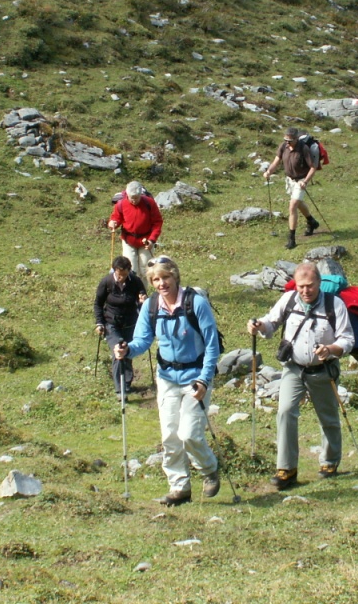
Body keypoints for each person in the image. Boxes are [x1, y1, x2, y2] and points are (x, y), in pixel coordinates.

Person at [114, 257, 221, 506]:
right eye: (156, 279)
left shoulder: (197, 303)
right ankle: (179, 488)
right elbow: (142, 340)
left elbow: (212, 346)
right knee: (170, 437)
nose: (161, 283)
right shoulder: (152, 306)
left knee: (189, 434)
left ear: (175, 276)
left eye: (165, 278)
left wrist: (205, 380)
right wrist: (126, 349)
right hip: (166, 379)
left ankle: (209, 469)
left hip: (196, 377)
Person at [247, 261, 354, 490]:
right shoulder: (288, 300)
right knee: (285, 411)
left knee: (328, 417)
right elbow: (271, 322)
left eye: (310, 286)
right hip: (294, 368)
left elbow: (347, 339)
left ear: (319, 283)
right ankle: (286, 469)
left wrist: (330, 350)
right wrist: (258, 326)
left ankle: (330, 461)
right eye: (301, 286)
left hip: (323, 369)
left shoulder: (334, 305)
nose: (305, 291)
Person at [94, 255, 147, 399]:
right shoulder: (106, 282)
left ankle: (127, 383)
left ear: (129, 271)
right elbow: (98, 304)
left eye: (123, 275)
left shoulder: (136, 282)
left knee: (128, 352)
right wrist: (99, 323)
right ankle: (120, 390)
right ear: (114, 271)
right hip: (111, 323)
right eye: (118, 274)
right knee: (119, 351)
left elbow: (143, 300)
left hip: (131, 323)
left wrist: (143, 301)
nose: (120, 278)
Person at [262, 127, 320, 250]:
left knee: (293, 205)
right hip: (289, 180)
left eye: (290, 140)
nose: (287, 142)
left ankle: (291, 239)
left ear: (296, 139)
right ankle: (312, 221)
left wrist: (305, 181)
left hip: (300, 181)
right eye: (285, 140)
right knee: (298, 203)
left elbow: (313, 167)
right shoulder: (283, 146)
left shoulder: (303, 148)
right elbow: (276, 161)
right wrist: (269, 172)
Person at [107, 181, 163, 278]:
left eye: (136, 198)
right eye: (131, 198)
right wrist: (113, 223)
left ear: (140, 194)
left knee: (145, 268)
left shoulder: (149, 203)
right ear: (127, 195)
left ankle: (143, 292)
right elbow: (116, 218)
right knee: (130, 268)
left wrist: (152, 240)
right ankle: (132, 292)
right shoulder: (121, 204)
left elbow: (157, 222)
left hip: (146, 241)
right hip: (128, 240)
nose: (134, 201)